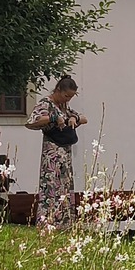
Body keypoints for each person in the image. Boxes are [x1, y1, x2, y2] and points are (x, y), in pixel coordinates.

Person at [27, 76, 85, 226]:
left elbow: (84, 118)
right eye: (66, 96)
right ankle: (47, 221)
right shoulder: (46, 104)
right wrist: (53, 118)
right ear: (58, 90)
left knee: (64, 185)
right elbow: (32, 121)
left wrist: (73, 118)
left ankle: (64, 222)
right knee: (51, 185)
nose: (68, 99)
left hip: (65, 152)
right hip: (52, 152)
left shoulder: (64, 106)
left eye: (71, 97)